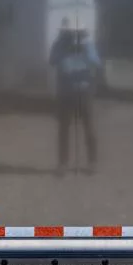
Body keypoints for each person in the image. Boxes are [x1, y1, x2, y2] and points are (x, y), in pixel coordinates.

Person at [49, 19, 101, 174]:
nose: (72, 36)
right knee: (63, 128)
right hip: (65, 91)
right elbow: (52, 61)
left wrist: (84, 46)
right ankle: (62, 164)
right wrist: (62, 45)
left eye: (74, 33)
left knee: (89, 127)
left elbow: (96, 62)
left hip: (84, 90)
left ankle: (92, 163)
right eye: (68, 33)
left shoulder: (87, 45)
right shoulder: (59, 45)